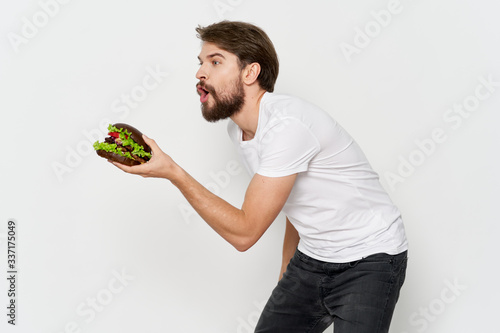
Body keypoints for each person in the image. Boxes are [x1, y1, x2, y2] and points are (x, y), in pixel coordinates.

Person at [111, 21, 408, 333]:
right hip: (313, 259)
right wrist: (288, 270)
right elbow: (294, 199)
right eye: (201, 63)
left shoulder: (288, 126)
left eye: (215, 62)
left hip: (371, 257)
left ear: (250, 73)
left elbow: (245, 233)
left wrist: (173, 172)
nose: (200, 73)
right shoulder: (240, 131)